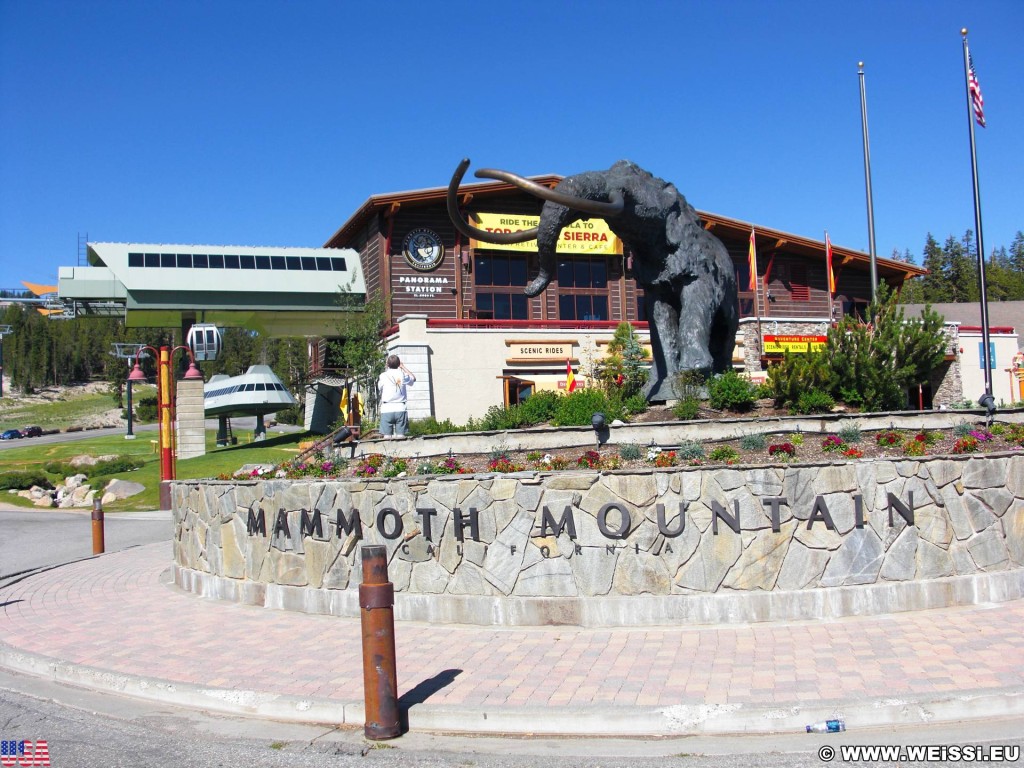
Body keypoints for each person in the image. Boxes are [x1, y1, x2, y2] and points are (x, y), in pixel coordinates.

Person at [377, 355, 415, 438]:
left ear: (387, 364)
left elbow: (379, 388)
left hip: (387, 408)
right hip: (400, 407)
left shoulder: (383, 375)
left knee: (386, 438)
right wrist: (403, 367)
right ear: (398, 364)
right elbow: (413, 378)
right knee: (401, 437)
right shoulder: (403, 375)